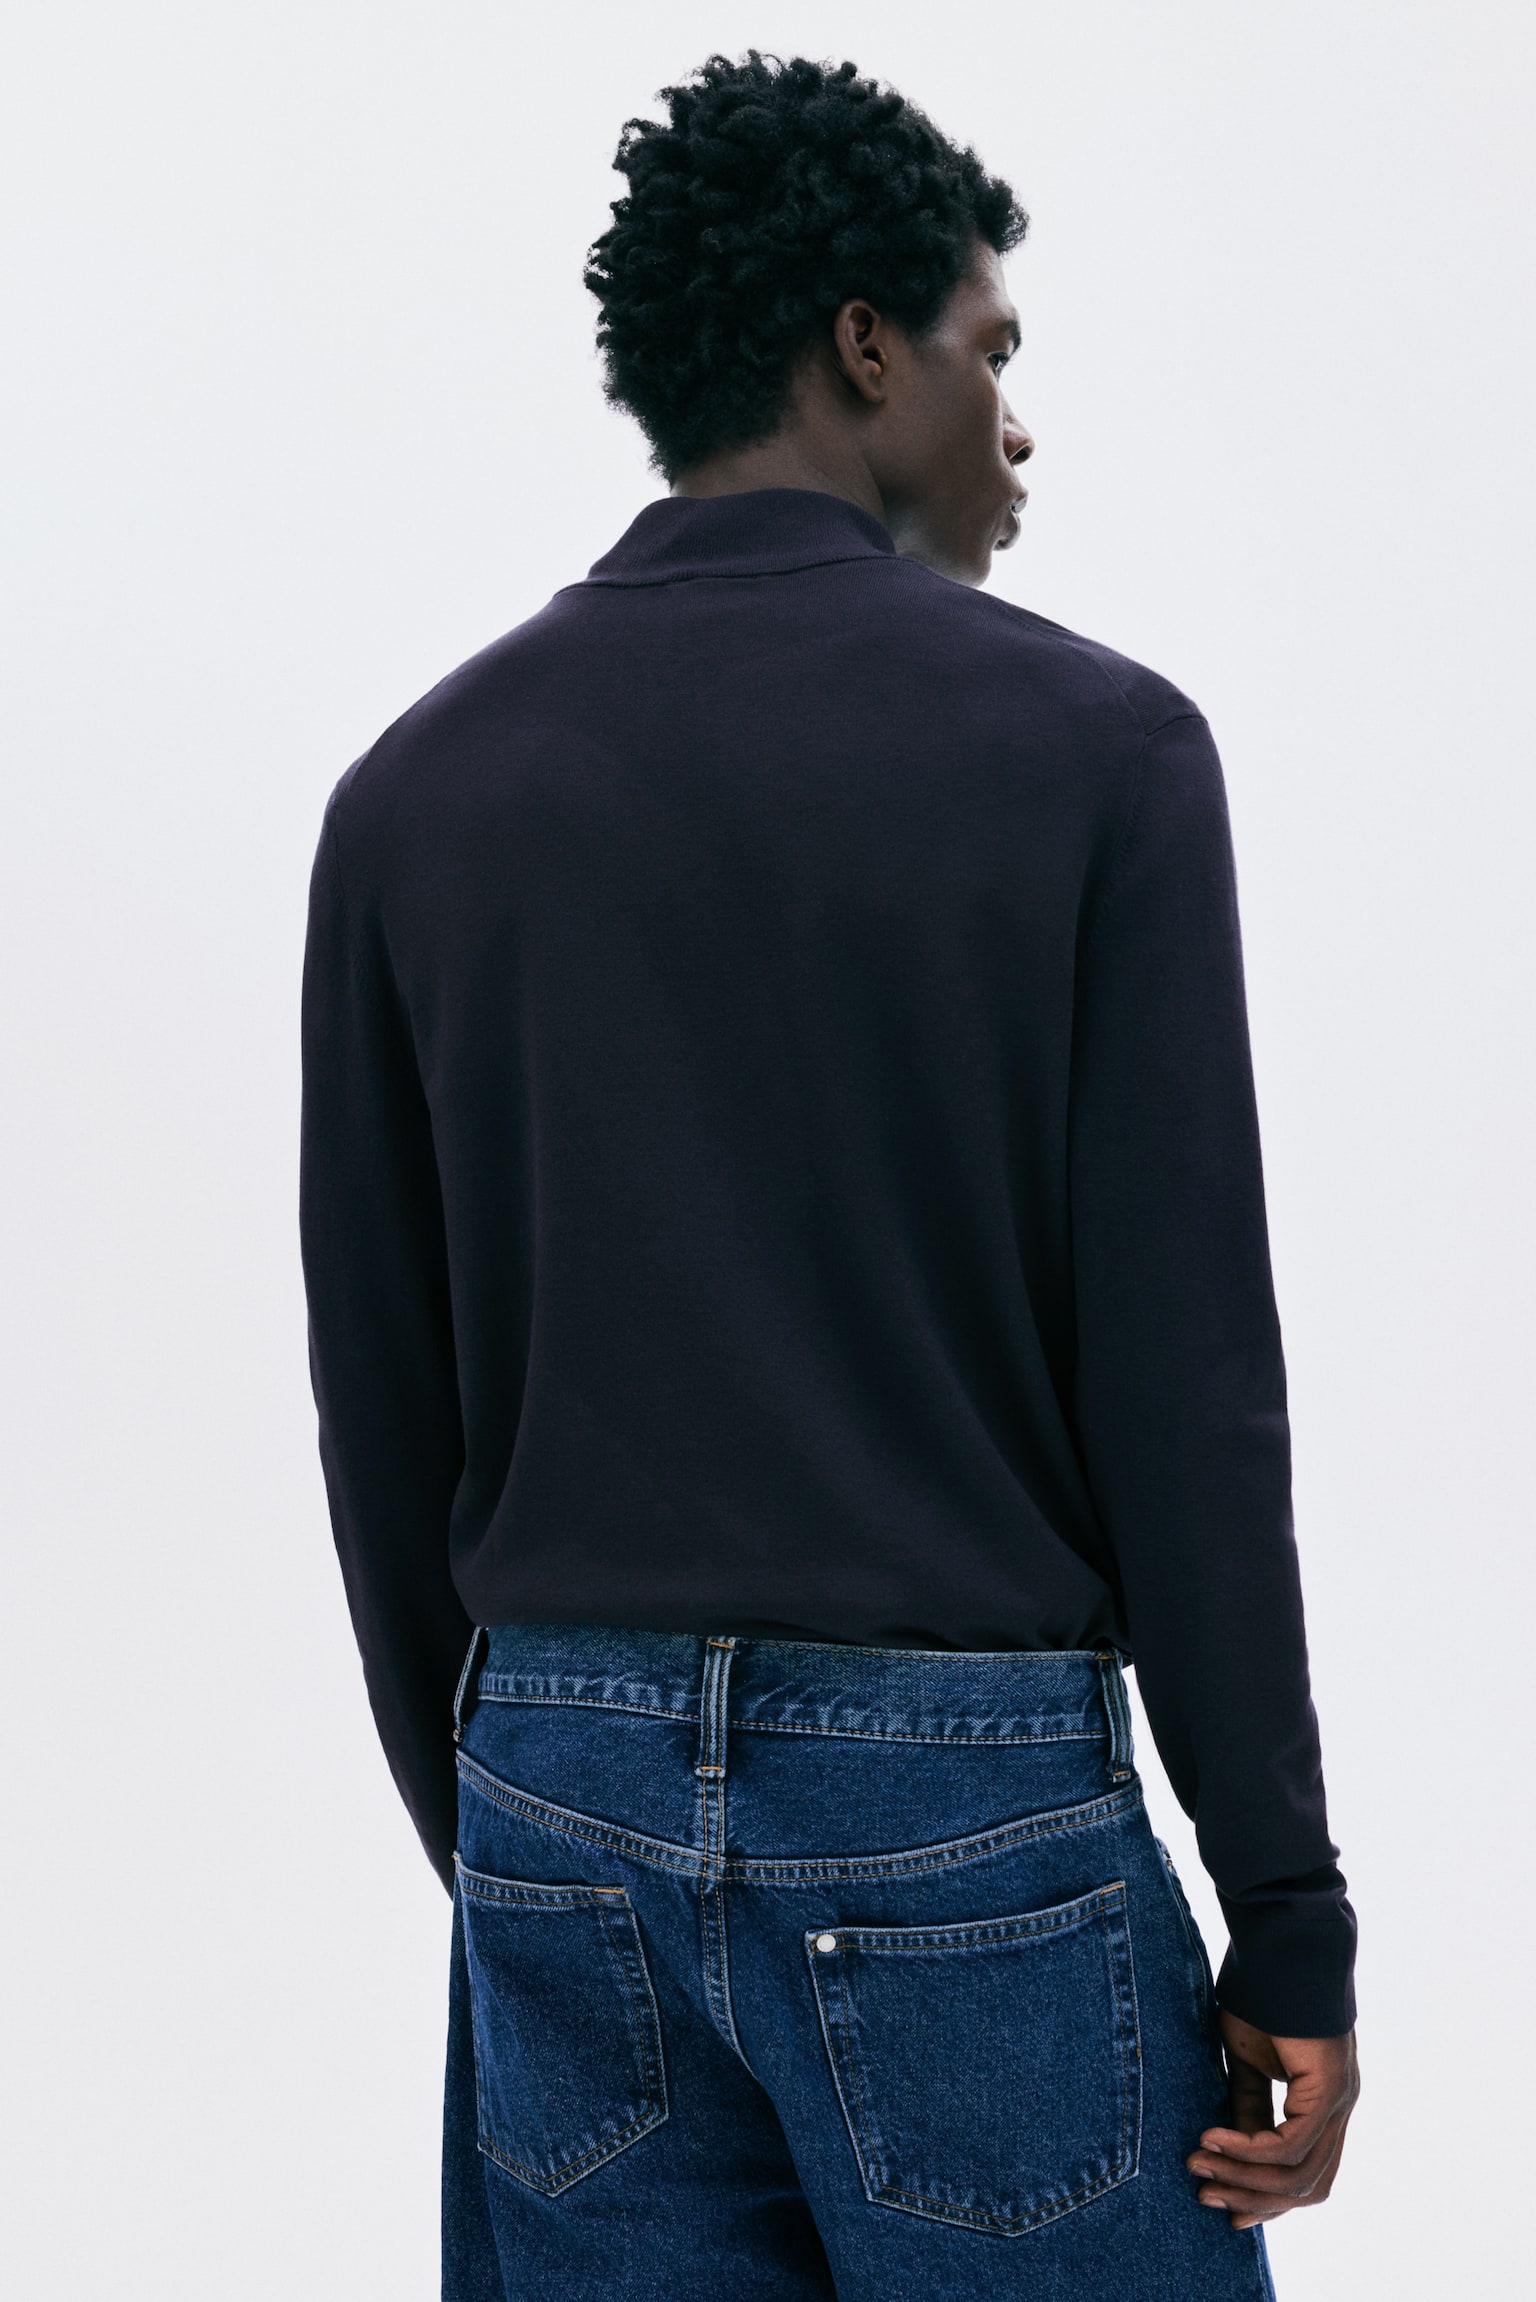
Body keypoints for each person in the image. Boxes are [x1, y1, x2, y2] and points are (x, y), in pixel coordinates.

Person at [299, 50, 1359, 2302]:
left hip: (555, 1789)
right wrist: (1288, 1903)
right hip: (962, 1808)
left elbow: (382, 1395)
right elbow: (1186, 1382)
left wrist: (505, 1829)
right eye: (991, 349)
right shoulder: (1102, 755)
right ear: (865, 348)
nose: (1015, 424)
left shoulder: (413, 797)